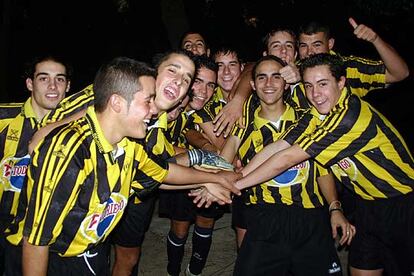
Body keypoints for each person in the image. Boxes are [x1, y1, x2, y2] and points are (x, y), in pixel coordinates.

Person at [5, 57, 240, 276]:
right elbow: (36, 242)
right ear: (117, 102)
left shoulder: (130, 145)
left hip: (90, 252)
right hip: (55, 260)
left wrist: (215, 179)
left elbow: (162, 172)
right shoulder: (70, 148)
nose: (153, 112)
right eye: (147, 101)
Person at [232, 53, 414, 276]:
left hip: (403, 204)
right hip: (367, 205)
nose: (315, 94)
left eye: (322, 84)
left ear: (341, 82)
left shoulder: (349, 117)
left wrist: (234, 186)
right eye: (308, 86)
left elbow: (287, 159)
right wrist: (234, 179)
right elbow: (281, 145)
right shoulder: (316, 114)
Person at [197, 56, 352, 276]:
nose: (269, 84)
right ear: (253, 85)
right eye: (262, 78)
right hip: (264, 218)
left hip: (311, 219)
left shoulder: (308, 119)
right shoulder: (243, 126)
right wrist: (211, 183)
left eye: (276, 77)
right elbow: (225, 161)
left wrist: (334, 207)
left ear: (286, 83)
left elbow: (321, 170)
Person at [0, 54, 72, 275]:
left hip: (53, 238)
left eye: (60, 79)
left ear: (68, 86)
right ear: (30, 83)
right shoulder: (4, 118)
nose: (53, 86)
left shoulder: (77, 128)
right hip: (5, 233)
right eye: (43, 78)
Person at [158, 54, 225, 276]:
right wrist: (201, 153)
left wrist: (211, 154)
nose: (203, 92)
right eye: (198, 82)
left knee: (206, 223)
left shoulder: (205, 110)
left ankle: (195, 270)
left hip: (201, 172)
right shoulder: (162, 104)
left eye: (210, 85)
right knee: (180, 228)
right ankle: (173, 270)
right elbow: (166, 146)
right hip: (171, 174)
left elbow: (196, 133)